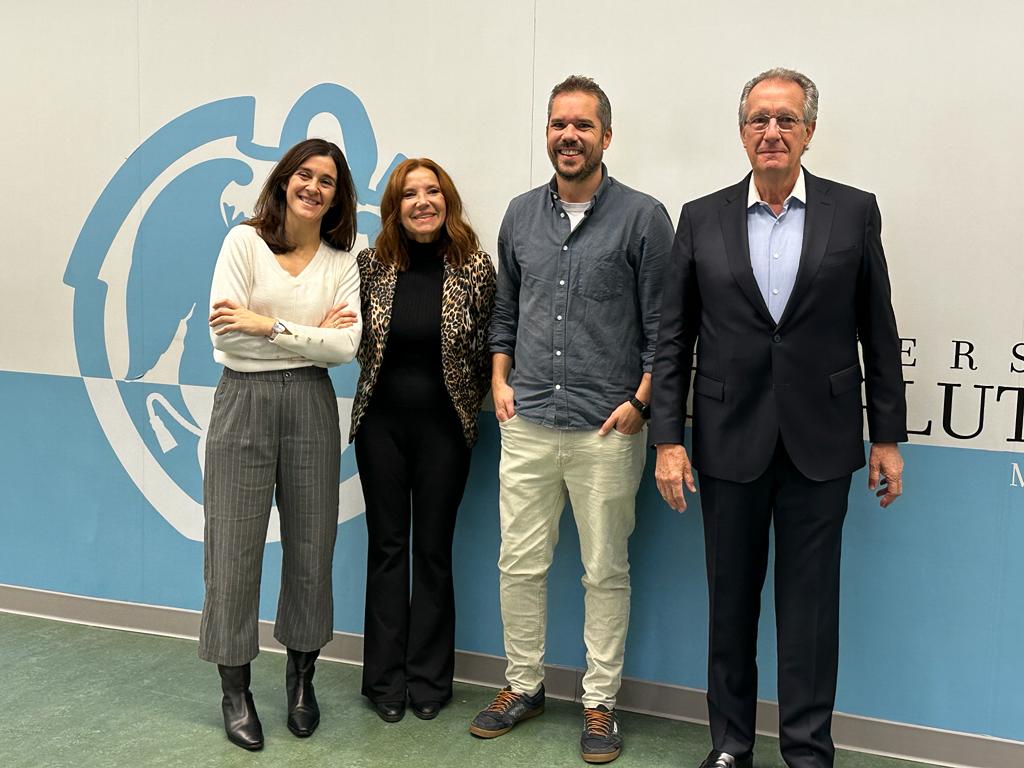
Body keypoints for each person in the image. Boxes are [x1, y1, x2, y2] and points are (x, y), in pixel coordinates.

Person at [649, 68, 908, 768]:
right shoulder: (701, 218)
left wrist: (885, 435)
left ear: (809, 132)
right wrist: (668, 440)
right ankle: (731, 745)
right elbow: (673, 340)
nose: (771, 131)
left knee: (810, 615)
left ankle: (806, 751)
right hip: (728, 442)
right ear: (742, 133)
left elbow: (876, 329)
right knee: (729, 606)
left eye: (786, 119)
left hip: (820, 446)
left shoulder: (853, 212)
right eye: (759, 119)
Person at [471, 75, 674, 764]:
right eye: (559, 124)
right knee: (519, 564)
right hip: (527, 420)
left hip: (606, 429)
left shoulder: (645, 218)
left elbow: (663, 329)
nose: (568, 135)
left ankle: (599, 703)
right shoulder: (520, 216)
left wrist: (642, 401)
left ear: (605, 137)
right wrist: (500, 380)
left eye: (583, 125)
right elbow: (504, 312)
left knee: (603, 570)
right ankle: (522, 685)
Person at [200, 138, 362, 750]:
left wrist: (265, 323)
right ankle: (235, 688)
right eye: (304, 175)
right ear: (284, 181)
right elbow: (226, 342)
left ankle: (301, 678)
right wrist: (309, 334)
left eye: (326, 180)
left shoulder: (342, 259)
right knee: (233, 549)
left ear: (337, 196)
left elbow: (344, 351)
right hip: (242, 400)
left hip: (311, 406)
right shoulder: (243, 242)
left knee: (312, 544)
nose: (313, 187)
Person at [350, 158, 496, 723]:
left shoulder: (475, 267)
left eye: (432, 191)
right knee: (387, 550)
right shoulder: (371, 266)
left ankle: (430, 679)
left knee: (432, 553)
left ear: (447, 199)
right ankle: (385, 682)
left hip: (445, 430)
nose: (422, 202)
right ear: (395, 207)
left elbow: (489, 345)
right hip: (380, 427)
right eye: (409, 194)